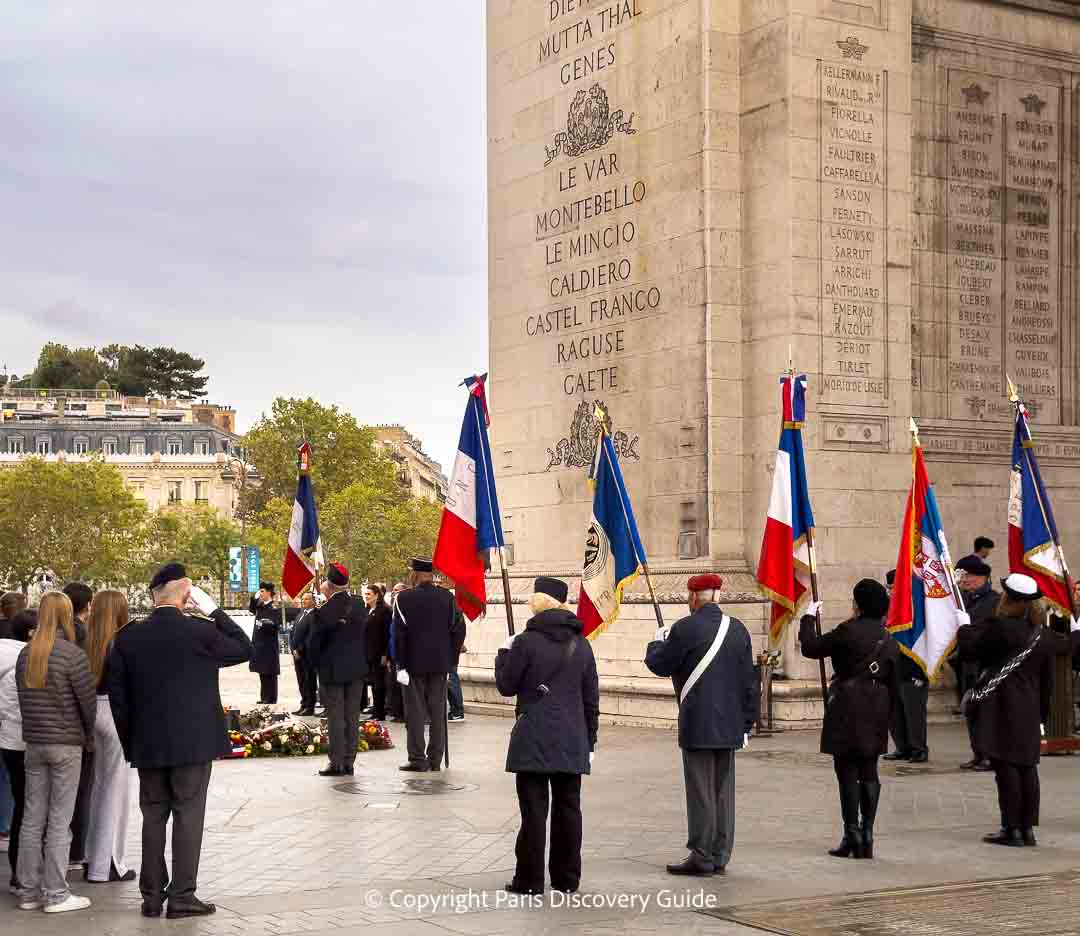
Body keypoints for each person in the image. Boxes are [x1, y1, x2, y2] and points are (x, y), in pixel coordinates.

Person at [108, 562, 252, 919]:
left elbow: (118, 697)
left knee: (153, 817)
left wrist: (131, 742)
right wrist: (214, 610)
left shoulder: (128, 636)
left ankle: (152, 896)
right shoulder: (201, 632)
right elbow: (244, 647)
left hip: (149, 743)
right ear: (187, 596)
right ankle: (183, 896)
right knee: (188, 816)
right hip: (193, 743)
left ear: (154, 596)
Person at [644, 573, 756, 876]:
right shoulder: (738, 630)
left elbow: (660, 664)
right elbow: (750, 681)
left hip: (698, 722)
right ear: (717, 596)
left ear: (694, 597)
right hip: (731, 723)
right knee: (722, 791)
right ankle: (720, 853)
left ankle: (701, 854)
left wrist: (657, 642)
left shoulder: (685, 628)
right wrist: (748, 722)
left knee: (700, 789)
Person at [495, 577, 599, 896]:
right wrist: (590, 741)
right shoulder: (582, 643)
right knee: (569, 809)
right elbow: (591, 699)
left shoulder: (525, 642)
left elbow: (506, 685)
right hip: (572, 738)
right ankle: (567, 879)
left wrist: (504, 651)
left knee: (534, 811)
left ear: (537, 603)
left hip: (534, 736)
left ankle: (529, 880)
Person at [799, 580, 898, 859]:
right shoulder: (888, 637)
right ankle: (867, 835)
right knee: (869, 771)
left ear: (857, 604)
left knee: (846, 773)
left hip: (846, 706)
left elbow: (811, 647)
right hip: (876, 707)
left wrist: (808, 617)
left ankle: (851, 834)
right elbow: (894, 682)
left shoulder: (847, 630)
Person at [958, 573, 1054, 847]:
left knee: (1006, 767)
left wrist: (963, 627)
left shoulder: (1000, 627)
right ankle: (1027, 829)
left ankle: (1011, 828)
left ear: (1009, 600)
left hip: (1001, 706)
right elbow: (1048, 682)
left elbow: (969, 650)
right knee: (1027, 767)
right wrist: (1041, 717)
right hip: (1029, 708)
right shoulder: (1042, 634)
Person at [15, 591, 96, 914]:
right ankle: (56, 893)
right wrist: (88, 735)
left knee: (32, 819)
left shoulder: (26, 654)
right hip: (65, 744)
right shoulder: (71, 655)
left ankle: (28, 891)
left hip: (34, 744)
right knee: (60, 821)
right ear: (66, 616)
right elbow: (87, 703)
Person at [83, 590, 136, 884]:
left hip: (93, 710)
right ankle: (107, 864)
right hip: (114, 713)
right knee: (116, 793)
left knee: (99, 787)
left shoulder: (88, 641)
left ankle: (93, 857)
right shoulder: (122, 642)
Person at [394, 559, 465, 773]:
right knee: (438, 712)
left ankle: (417, 758)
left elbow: (399, 635)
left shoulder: (403, 598)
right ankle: (435, 759)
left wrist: (401, 665)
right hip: (441, 664)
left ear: (415, 574)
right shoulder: (448, 598)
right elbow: (458, 630)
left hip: (413, 664)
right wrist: (451, 659)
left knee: (415, 713)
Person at [308, 563, 368, 777]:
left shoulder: (325, 610)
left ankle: (336, 762)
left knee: (335, 717)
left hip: (332, 670)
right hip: (356, 669)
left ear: (329, 585)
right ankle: (349, 761)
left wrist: (315, 664)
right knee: (352, 716)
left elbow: (314, 643)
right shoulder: (360, 605)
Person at [0, 609, 36, 895]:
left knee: (21, 806)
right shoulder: (26, 663)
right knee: (29, 809)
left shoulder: (8, 661)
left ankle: (19, 872)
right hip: (26, 743)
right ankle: (23, 874)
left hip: (9, 742)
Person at [953, 556, 999, 771]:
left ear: (982, 577)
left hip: (985, 663)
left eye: (968, 576)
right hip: (967, 662)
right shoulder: (965, 599)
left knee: (985, 712)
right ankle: (978, 753)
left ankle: (990, 754)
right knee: (970, 711)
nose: (965, 580)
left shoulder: (993, 601)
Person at [62, 581, 94, 871]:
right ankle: (75, 851)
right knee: (80, 791)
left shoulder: (47, 637)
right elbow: (84, 688)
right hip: (74, 729)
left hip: (41, 730)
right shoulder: (80, 634)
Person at [883, 569, 930, 764]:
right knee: (895, 713)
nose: (892, 591)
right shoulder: (888, 608)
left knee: (914, 713)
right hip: (894, 669)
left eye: (895, 587)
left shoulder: (916, 609)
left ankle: (919, 749)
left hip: (914, 669)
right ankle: (902, 747)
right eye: (890, 588)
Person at [248, 583, 281, 705]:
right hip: (259, 645)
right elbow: (251, 608)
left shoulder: (273, 607)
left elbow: (275, 626)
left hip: (269, 646)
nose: (260, 594)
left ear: (268, 592)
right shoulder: (261, 606)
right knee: (262, 672)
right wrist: (254, 597)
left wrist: (264, 625)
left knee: (270, 673)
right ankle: (264, 697)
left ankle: (271, 698)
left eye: (262, 591)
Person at [363, 583, 390, 722]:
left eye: (369, 594)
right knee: (373, 683)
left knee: (379, 683)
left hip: (379, 653)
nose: (366, 597)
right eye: (365, 594)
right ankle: (376, 709)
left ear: (377, 595)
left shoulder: (384, 610)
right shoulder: (367, 610)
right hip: (368, 652)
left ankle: (380, 712)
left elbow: (386, 634)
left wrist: (385, 654)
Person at [290, 593, 319, 716]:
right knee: (301, 680)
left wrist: (300, 650)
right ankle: (303, 703)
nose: (304, 601)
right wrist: (293, 648)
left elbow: (311, 636)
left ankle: (310, 706)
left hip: (307, 654)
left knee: (309, 680)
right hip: (297, 654)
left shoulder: (314, 615)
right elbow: (294, 632)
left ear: (313, 601)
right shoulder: (301, 613)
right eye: (303, 599)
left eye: (307, 599)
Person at [385, 584, 407, 722]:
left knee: (403, 686)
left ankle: (405, 713)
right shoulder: (394, 610)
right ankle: (397, 712)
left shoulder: (405, 608)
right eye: (393, 591)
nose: (394, 593)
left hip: (403, 655)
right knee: (394, 686)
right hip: (394, 655)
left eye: (397, 591)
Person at [448, 602, 467, 723]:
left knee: (451, 679)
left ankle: (457, 711)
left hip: (448, 652)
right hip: (450, 651)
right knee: (450, 679)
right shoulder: (456, 611)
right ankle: (455, 710)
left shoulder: (452, 612)